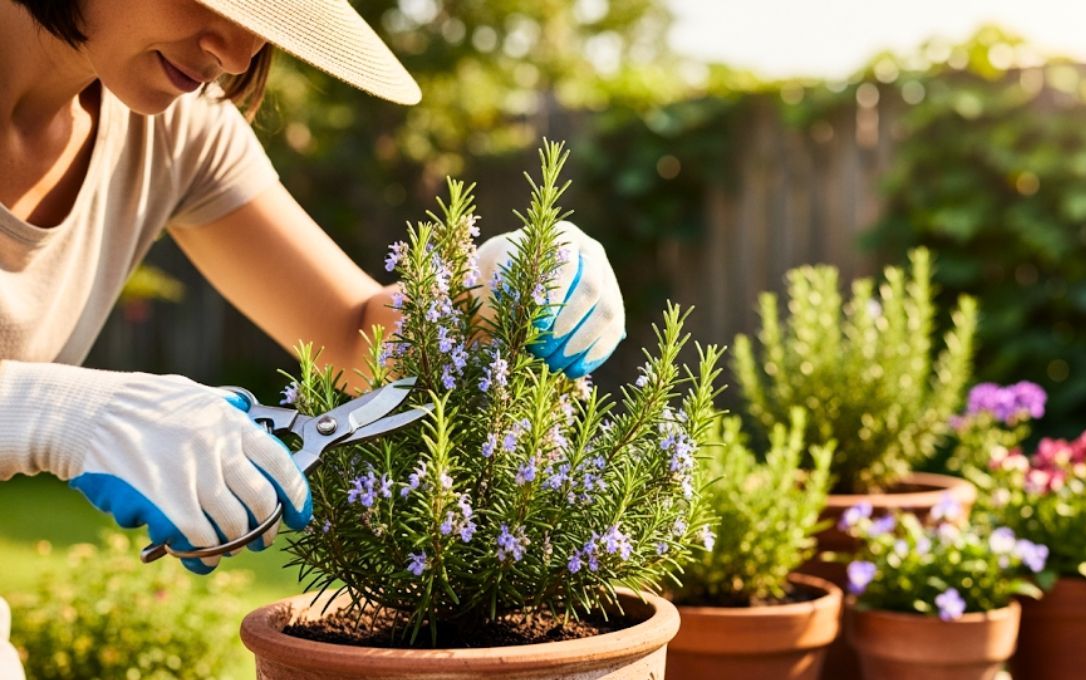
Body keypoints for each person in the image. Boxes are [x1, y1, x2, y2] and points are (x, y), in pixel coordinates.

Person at [0, 0, 625, 673]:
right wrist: (54, 413)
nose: (237, 53)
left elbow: (354, 337)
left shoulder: (178, 131)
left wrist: (487, 287)